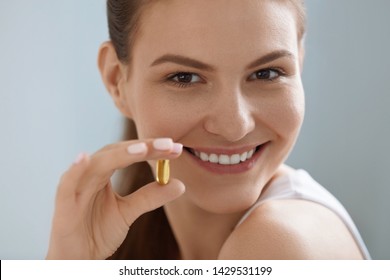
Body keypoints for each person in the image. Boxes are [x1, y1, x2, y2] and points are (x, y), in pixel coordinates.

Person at [46, 0, 371, 260]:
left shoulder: (277, 245)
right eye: (185, 77)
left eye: (267, 73)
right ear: (118, 82)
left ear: (299, 63)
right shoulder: (140, 239)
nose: (234, 126)